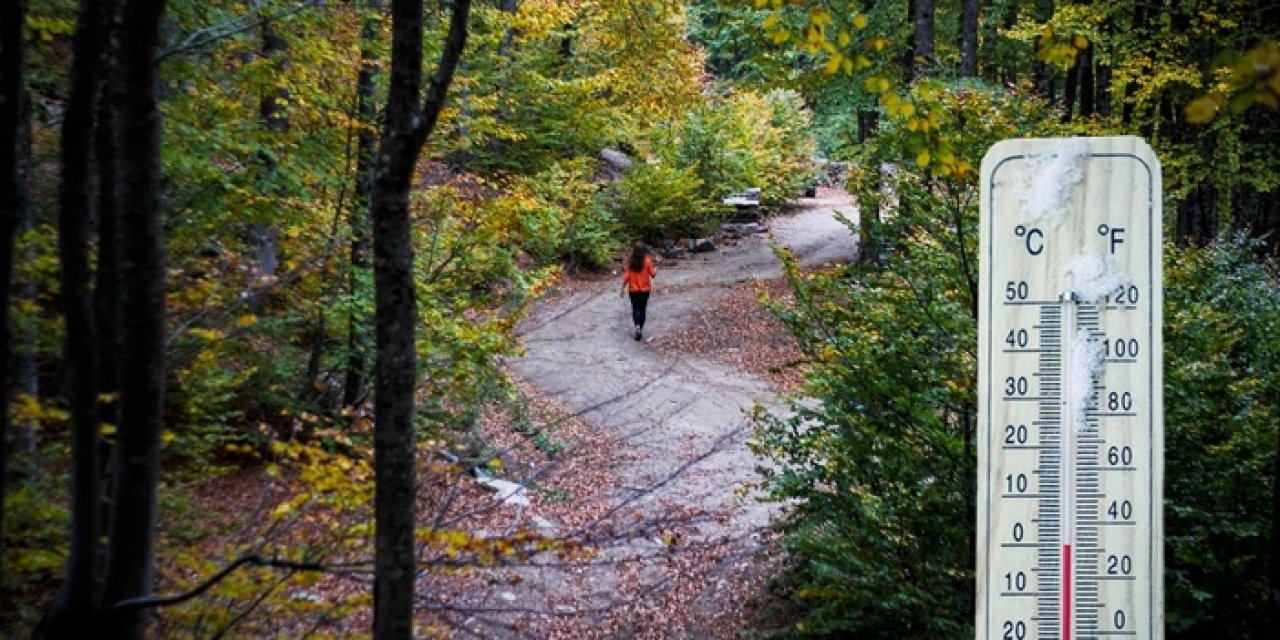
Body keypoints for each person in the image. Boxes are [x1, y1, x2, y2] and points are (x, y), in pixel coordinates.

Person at [620, 243, 657, 341]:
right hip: (645, 290)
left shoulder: (630, 262)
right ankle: (640, 327)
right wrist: (656, 270)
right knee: (642, 309)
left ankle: (637, 327)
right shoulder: (648, 261)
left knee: (635, 308)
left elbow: (627, 276)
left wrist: (622, 289)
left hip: (633, 290)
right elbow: (653, 274)